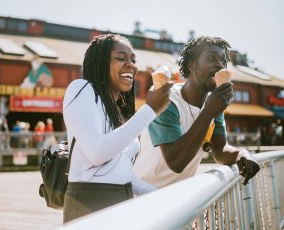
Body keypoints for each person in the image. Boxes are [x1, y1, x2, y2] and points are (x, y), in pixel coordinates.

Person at [62, 33, 173, 223]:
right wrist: (149, 111)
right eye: (121, 58)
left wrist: (158, 196)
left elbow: (121, 171)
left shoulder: (120, 111)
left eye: (133, 60)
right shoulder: (81, 89)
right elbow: (97, 153)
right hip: (89, 204)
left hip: (122, 203)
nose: (131, 64)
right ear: (101, 63)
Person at [133, 36, 260, 188]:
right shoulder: (167, 101)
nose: (219, 65)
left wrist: (241, 153)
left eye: (223, 61)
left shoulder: (213, 105)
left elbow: (220, 151)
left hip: (178, 198)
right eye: (211, 58)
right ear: (191, 64)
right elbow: (176, 162)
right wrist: (207, 113)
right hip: (141, 195)